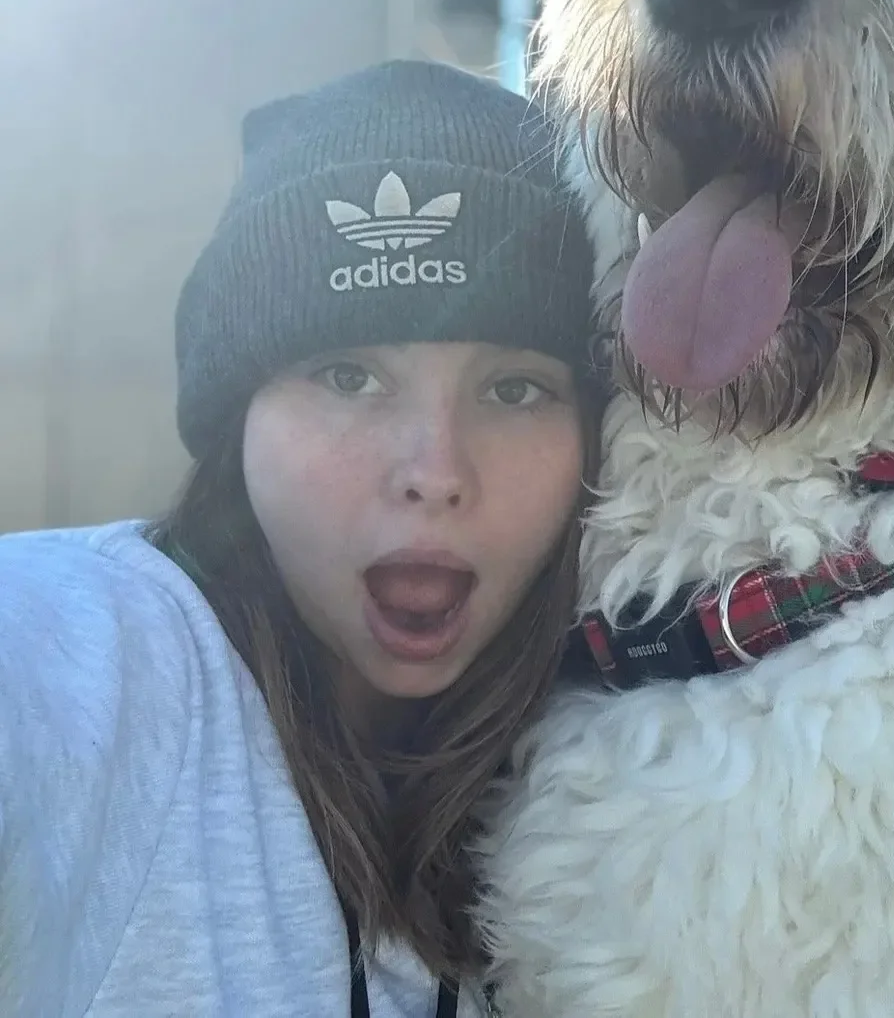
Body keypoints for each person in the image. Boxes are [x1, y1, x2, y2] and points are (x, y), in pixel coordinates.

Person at [0, 60, 602, 1017]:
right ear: (238, 419)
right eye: (348, 376)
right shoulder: (87, 653)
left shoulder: (632, 772)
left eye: (514, 389)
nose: (436, 469)